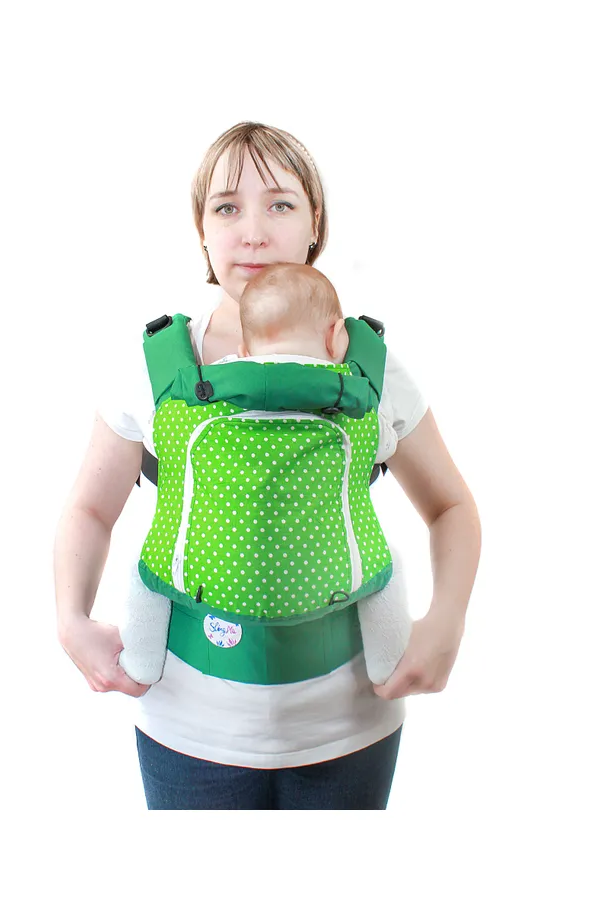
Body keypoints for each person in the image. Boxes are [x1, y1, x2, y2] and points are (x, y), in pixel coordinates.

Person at [54, 121, 482, 810]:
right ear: (202, 230)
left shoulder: (368, 367)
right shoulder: (154, 366)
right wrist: (71, 618)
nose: (253, 232)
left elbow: (451, 507)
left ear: (316, 223)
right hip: (187, 731)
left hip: (350, 726)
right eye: (227, 207)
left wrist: (448, 620)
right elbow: (90, 509)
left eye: (280, 204)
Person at [116, 261, 413, 690]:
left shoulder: (185, 403)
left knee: (145, 570)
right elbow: (386, 448)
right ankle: (388, 666)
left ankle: (141, 665)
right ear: (335, 337)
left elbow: (161, 445)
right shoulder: (361, 407)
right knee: (388, 566)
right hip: (330, 582)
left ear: (243, 349)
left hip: (211, 584)